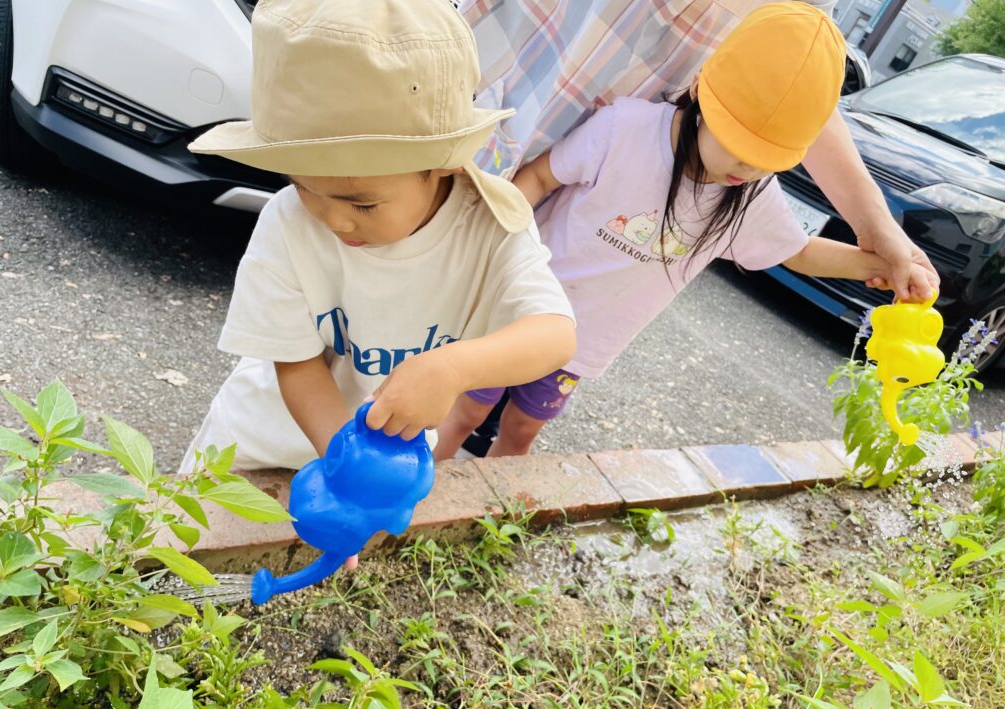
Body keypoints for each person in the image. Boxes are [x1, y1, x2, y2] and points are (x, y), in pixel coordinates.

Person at [434, 2, 938, 459]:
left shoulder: (748, 196)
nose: (746, 167)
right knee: (465, 411)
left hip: (580, 343)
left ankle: (487, 514)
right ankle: (424, 502)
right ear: (701, 89)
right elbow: (541, 176)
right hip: (519, 303)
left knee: (522, 430)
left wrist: (887, 264)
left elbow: (799, 252)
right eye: (738, 145)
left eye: (767, 159)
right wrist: (495, 245)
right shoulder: (625, 129)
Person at [180, 0, 576, 484]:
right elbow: (297, 364)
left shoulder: (490, 229)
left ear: (445, 160)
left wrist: (455, 369)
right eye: (304, 187)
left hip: (381, 461)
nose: (333, 220)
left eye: (362, 203)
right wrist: (348, 469)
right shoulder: (287, 222)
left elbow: (555, 334)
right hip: (254, 451)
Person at [460, 0, 938, 300]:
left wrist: (878, 236)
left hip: (564, 324)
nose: (750, 162)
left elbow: (797, 86)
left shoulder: (729, 176)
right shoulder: (629, 129)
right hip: (528, 70)